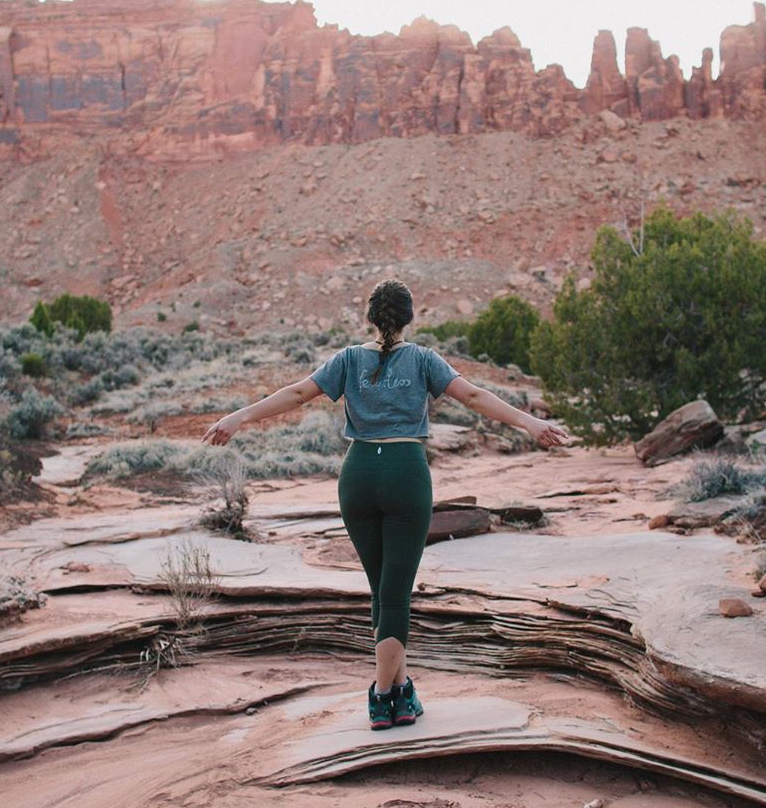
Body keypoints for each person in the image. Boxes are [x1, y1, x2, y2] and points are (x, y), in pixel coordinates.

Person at [200, 278, 572, 730]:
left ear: (371, 318)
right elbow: (472, 396)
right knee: (396, 594)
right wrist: (529, 422)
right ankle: (381, 695)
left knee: (382, 590)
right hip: (404, 473)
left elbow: (299, 393)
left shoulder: (347, 359)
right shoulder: (422, 359)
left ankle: (402, 692)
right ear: (409, 317)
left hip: (356, 477)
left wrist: (238, 417)